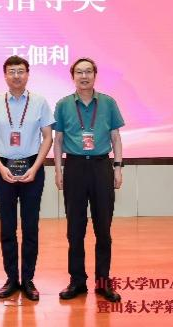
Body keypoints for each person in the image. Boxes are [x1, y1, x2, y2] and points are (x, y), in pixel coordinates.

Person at [0, 56, 53, 301]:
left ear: (28, 74)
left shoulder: (40, 102)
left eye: (21, 71)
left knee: (30, 226)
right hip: (4, 169)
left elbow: (48, 137)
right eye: (11, 71)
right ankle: (11, 278)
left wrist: (36, 167)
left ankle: (28, 279)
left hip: (32, 167)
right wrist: (0, 167)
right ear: (5, 76)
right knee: (8, 226)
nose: (16, 76)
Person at [53, 57, 125, 303]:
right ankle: (77, 281)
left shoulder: (108, 102)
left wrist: (117, 167)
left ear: (95, 75)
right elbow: (58, 140)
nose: (84, 76)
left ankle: (103, 282)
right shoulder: (63, 104)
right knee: (75, 229)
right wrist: (58, 170)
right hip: (74, 167)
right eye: (79, 72)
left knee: (103, 228)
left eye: (88, 72)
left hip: (101, 167)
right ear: (72, 76)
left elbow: (115, 137)